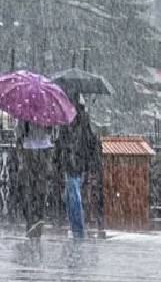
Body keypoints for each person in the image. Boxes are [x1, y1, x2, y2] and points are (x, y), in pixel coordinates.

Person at [55, 94, 99, 239]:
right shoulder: (72, 119)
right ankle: (76, 228)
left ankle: (78, 229)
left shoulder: (76, 119)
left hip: (75, 161)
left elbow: (86, 140)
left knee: (73, 193)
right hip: (74, 160)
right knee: (71, 194)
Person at [15, 120, 54, 238]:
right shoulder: (47, 114)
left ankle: (31, 221)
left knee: (29, 189)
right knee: (40, 189)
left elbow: (19, 133)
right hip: (43, 151)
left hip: (29, 152)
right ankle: (38, 218)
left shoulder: (25, 114)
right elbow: (51, 132)